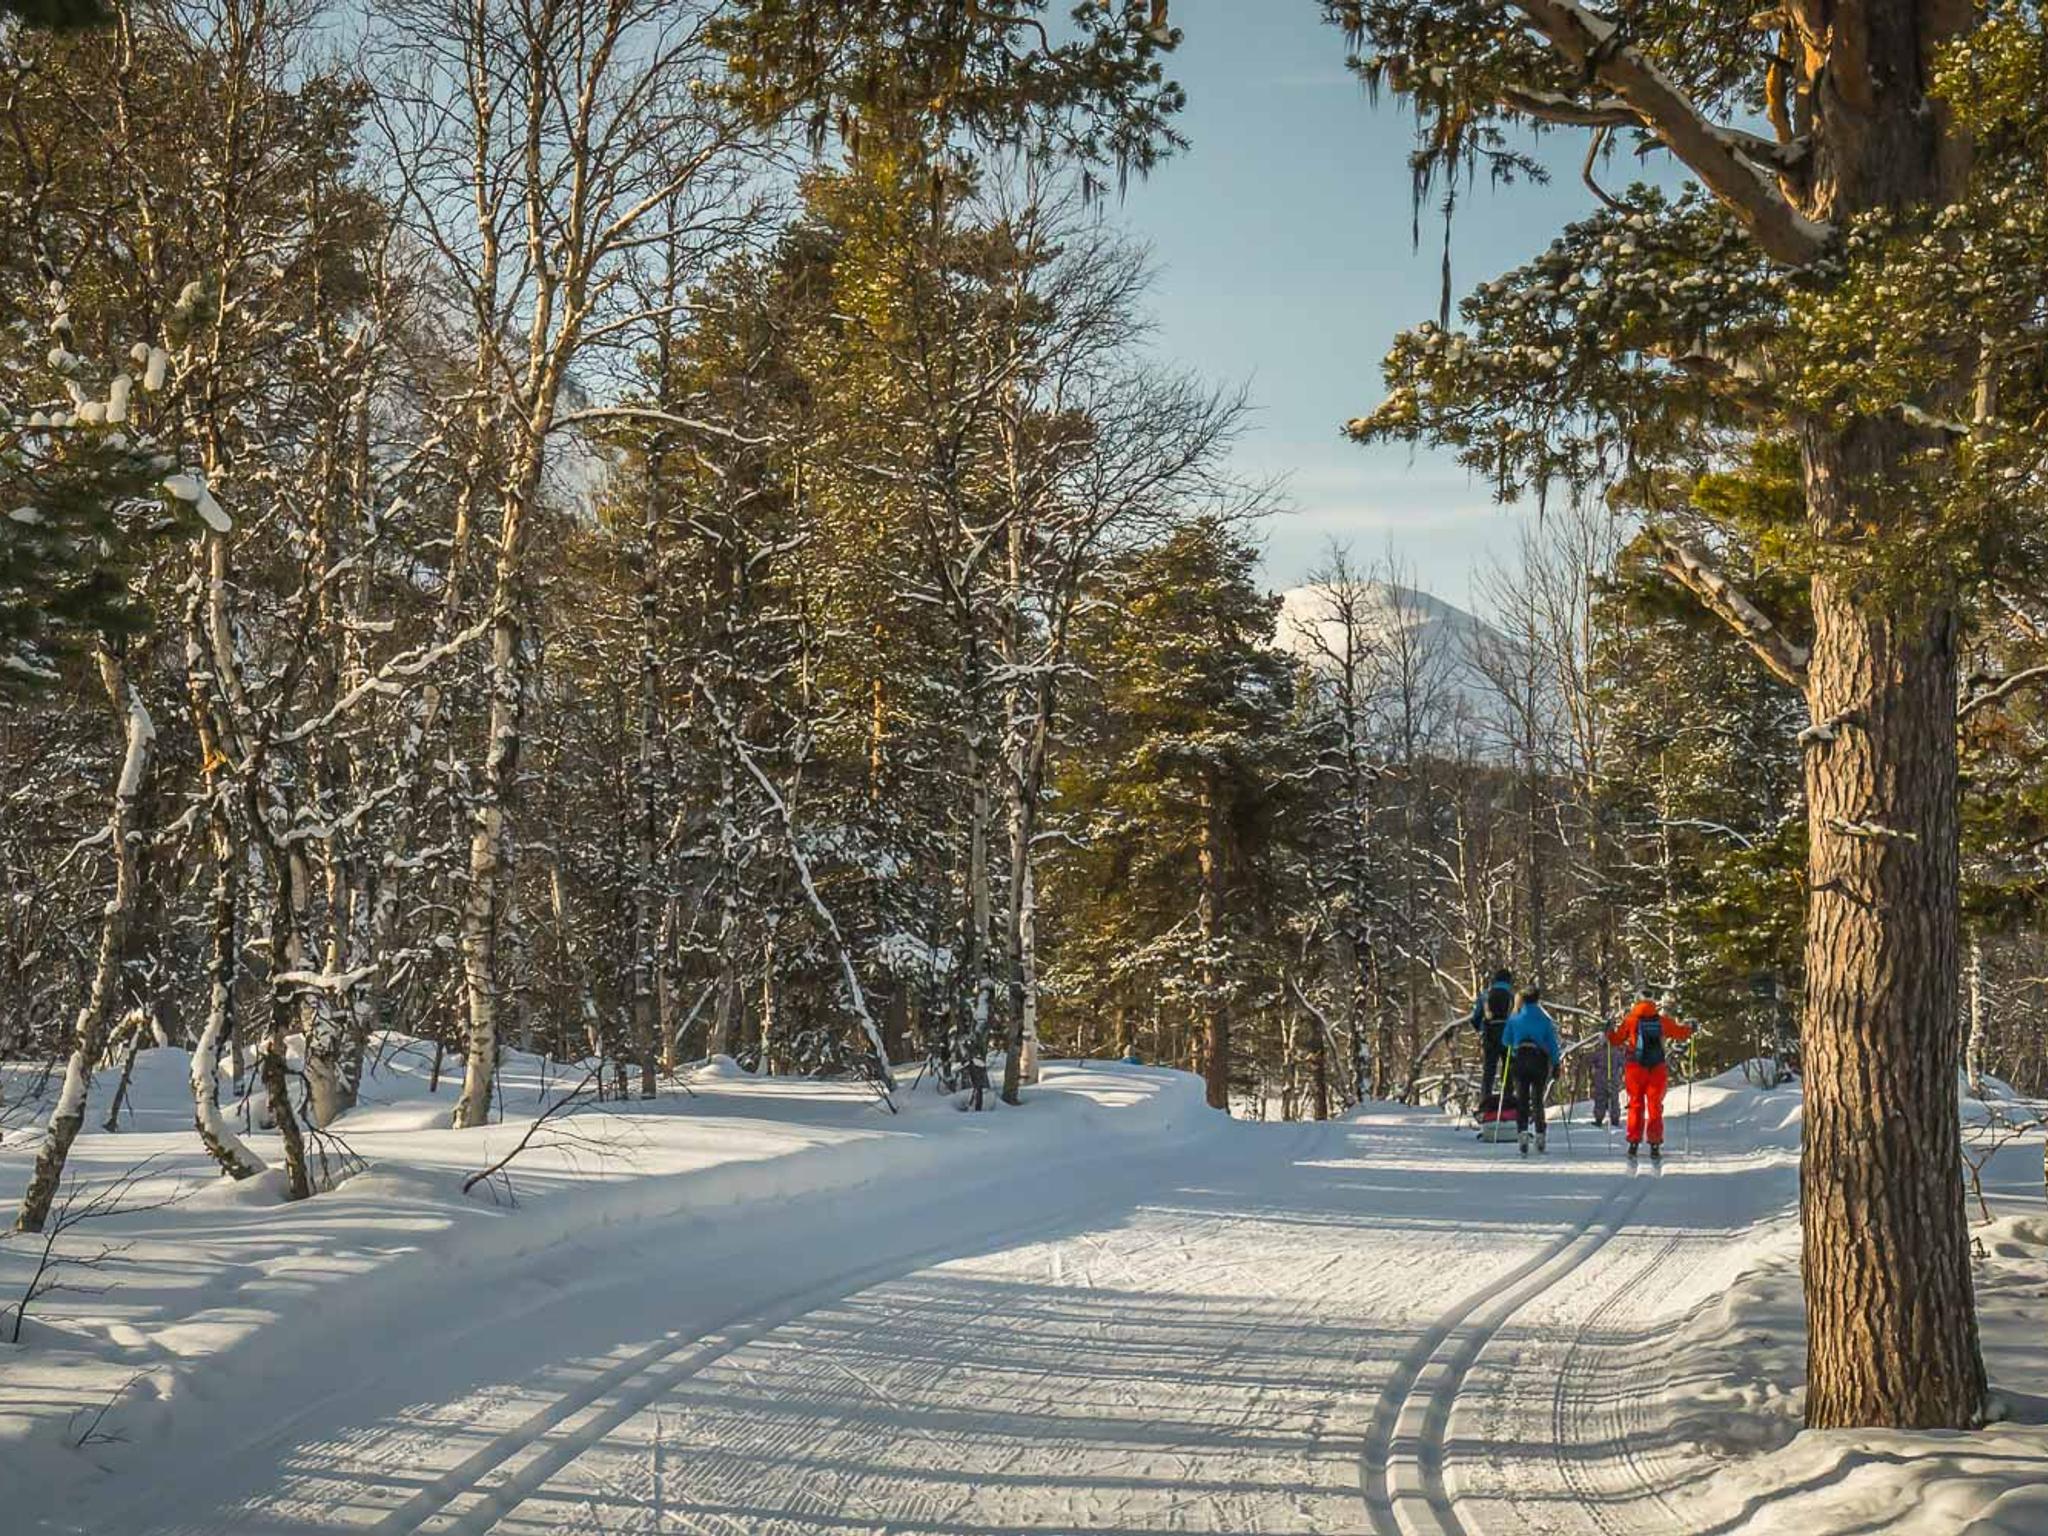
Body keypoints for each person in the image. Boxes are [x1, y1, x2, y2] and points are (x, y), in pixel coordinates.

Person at [1607, 991, 1695, 1166]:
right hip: (1657, 1068)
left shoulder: (1630, 1020)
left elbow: (1616, 1040)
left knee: (1635, 1104)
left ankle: (1633, 1143)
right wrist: (1691, 1028)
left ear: (1637, 1002)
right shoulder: (1661, 1021)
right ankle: (1654, 1144)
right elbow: (1680, 1033)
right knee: (1654, 1106)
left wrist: (1609, 1030)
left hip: (1635, 1069)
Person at [1501, 985, 1561, 1155]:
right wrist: (1556, 1064)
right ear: (1537, 999)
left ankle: (1522, 1133)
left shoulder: (1514, 1018)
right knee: (1537, 1099)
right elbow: (1552, 1045)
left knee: (1522, 1099)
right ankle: (1540, 1133)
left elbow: (1505, 1040)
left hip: (1520, 1058)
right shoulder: (1544, 1020)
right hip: (1538, 1059)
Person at [1468, 968, 1516, 1116]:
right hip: (1508, 1036)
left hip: (1490, 1036)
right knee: (1508, 1071)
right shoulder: (1512, 997)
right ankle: (1508, 1104)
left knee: (1489, 1071)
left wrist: (1480, 1028)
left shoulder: (1485, 995)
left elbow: (1476, 1018)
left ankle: (1485, 1104)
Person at [1588, 1027, 1623, 1128]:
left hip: (1603, 1078)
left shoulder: (1600, 1052)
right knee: (1611, 1098)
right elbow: (1622, 1062)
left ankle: (1602, 1118)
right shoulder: (1616, 1052)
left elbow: (1591, 1060)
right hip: (1610, 1078)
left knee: (1603, 1098)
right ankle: (1613, 1118)